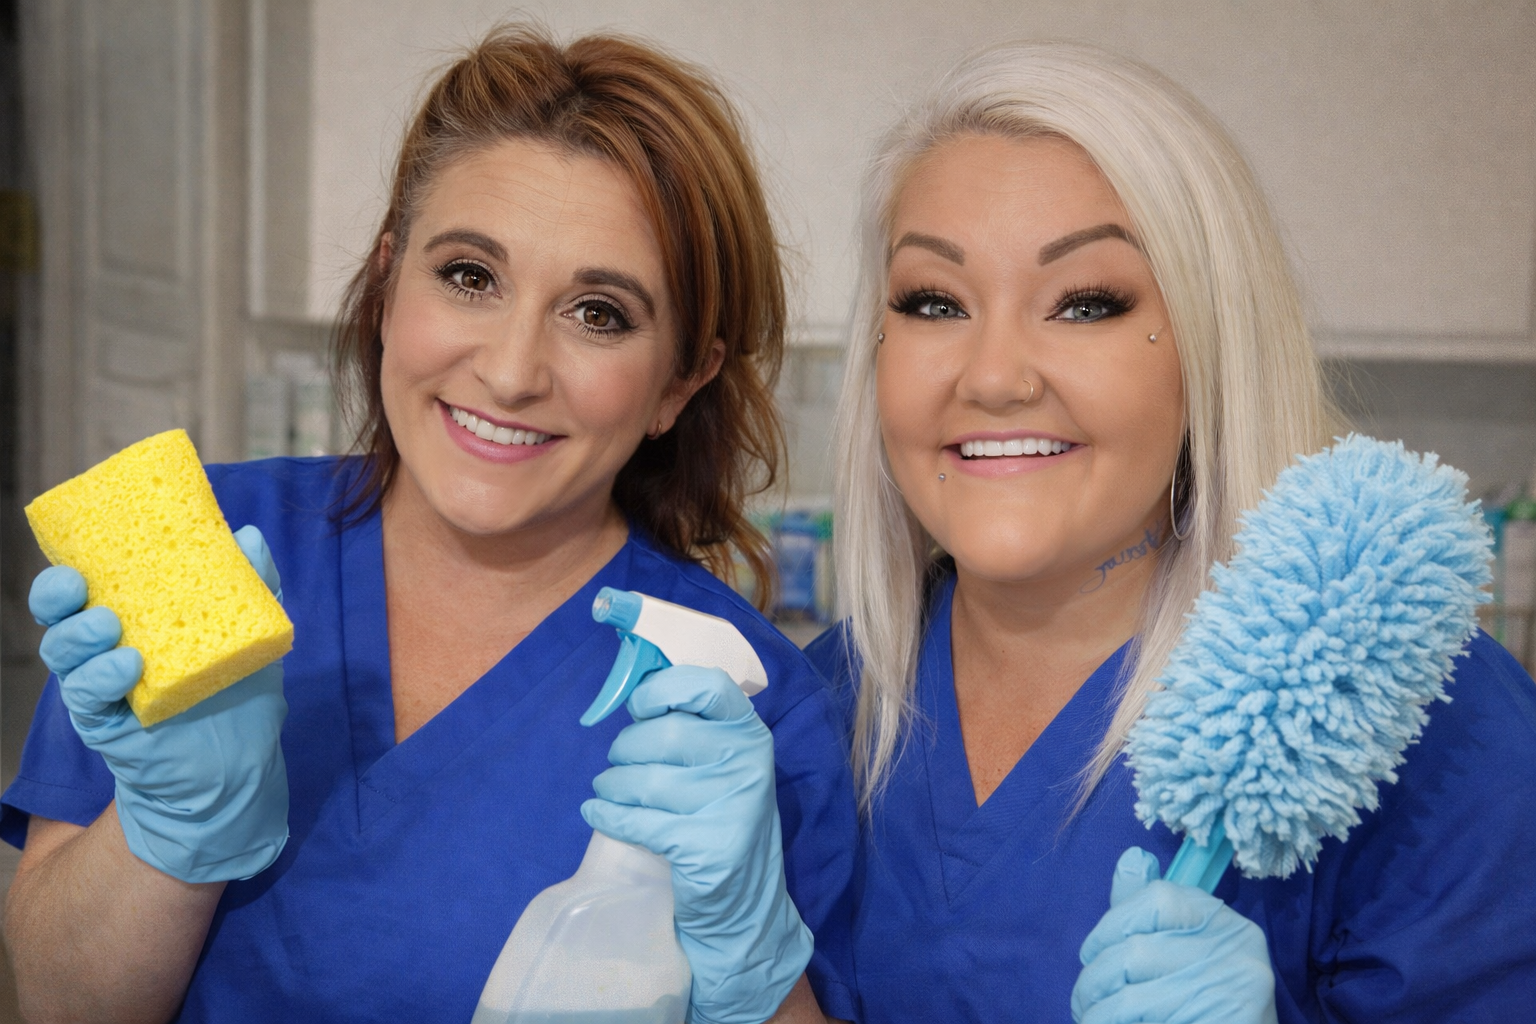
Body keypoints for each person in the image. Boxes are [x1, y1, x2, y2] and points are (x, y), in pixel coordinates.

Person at [3, 27, 856, 1024]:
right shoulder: (207, 552)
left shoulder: (740, 705)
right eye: (469, 276)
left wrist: (754, 978)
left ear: (680, 381)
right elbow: (52, 1005)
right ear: (388, 281)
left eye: (599, 313)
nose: (511, 371)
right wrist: (168, 836)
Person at [805, 41, 1536, 1024]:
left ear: (1208, 346)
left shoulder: (1422, 719)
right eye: (935, 302)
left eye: (1086, 304)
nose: (994, 375)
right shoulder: (817, 710)